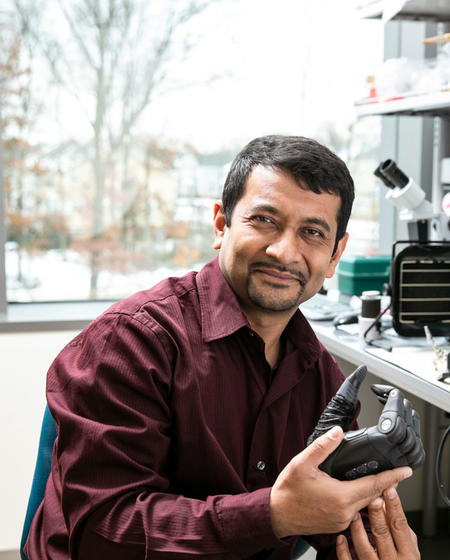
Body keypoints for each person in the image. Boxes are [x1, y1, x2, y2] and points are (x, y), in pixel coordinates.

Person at [25, 135, 419, 559]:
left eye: (312, 232)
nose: (285, 251)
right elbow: (103, 535)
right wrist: (274, 515)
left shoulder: (320, 375)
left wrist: (373, 528)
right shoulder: (131, 342)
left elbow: (323, 513)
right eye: (264, 220)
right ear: (221, 224)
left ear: (336, 254)